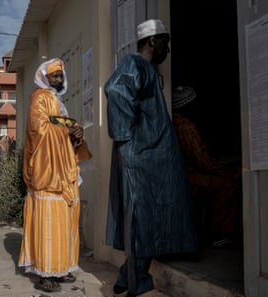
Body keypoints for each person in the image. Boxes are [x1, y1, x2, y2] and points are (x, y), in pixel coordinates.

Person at [104, 19, 199, 297]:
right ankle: (138, 283)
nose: (168, 50)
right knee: (142, 218)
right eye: (165, 43)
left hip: (148, 156)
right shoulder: (135, 63)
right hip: (139, 156)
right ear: (153, 41)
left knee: (147, 216)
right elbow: (115, 90)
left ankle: (125, 277)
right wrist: (130, 137)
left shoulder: (145, 69)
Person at [18, 58, 92, 293]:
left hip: (64, 169)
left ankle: (59, 268)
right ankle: (43, 273)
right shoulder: (39, 98)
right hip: (47, 170)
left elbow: (62, 128)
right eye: (54, 76)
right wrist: (65, 129)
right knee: (48, 221)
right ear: (44, 78)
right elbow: (38, 130)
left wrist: (76, 132)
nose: (58, 79)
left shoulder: (58, 101)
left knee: (64, 221)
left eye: (60, 76)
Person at [171, 86, 242, 247]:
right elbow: (204, 162)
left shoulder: (174, 121)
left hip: (180, 174)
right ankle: (220, 234)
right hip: (186, 176)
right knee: (229, 184)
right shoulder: (185, 126)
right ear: (187, 105)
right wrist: (231, 171)